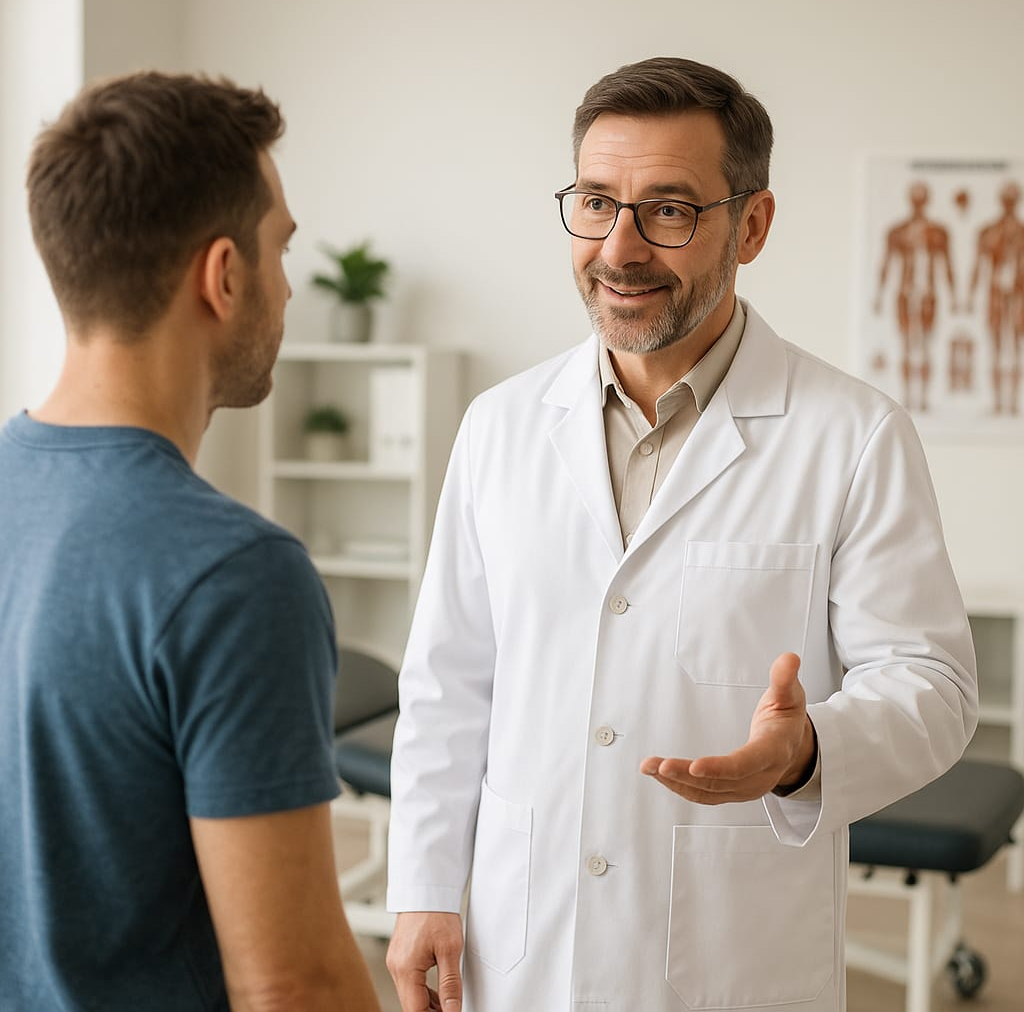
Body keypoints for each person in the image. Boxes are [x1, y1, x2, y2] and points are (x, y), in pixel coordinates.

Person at [385, 57, 978, 1012]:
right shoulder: (500, 425)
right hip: (527, 940)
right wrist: (420, 888)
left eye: (667, 210)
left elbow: (935, 687)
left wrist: (807, 751)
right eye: (594, 202)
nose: (618, 248)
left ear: (752, 224)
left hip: (734, 957)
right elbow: (451, 680)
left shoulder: (853, 434)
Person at [0, 72, 381, 1011]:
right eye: (280, 248)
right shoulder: (234, 575)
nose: (288, 286)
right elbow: (292, 987)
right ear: (222, 275)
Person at [873, 180, 958, 411]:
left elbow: (946, 265)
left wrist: (954, 297)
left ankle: (923, 399)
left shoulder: (938, 233)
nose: (918, 203)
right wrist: (879, 295)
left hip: (928, 295)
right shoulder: (898, 232)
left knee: (926, 345)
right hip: (905, 292)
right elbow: (886, 265)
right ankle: (909, 398)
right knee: (906, 345)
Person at [968, 181, 1024, 414]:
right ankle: (998, 402)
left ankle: (1011, 402)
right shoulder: (989, 232)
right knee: (997, 346)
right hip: (995, 296)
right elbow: (979, 266)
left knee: (1016, 347)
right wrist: (969, 296)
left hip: (1019, 295)